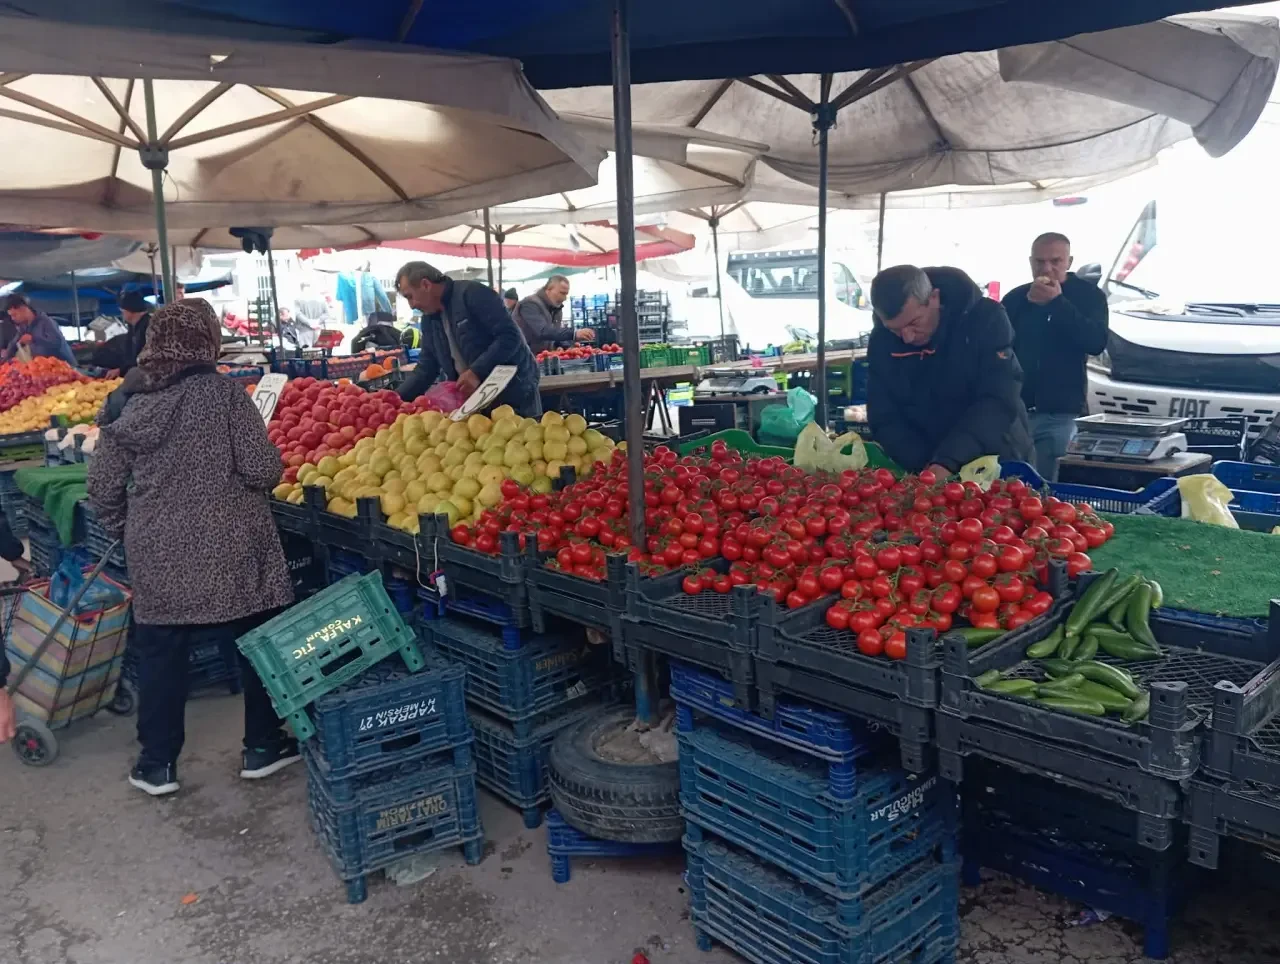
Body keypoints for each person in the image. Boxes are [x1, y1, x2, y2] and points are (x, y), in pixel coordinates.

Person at [87, 299, 297, 797]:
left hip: (157, 552)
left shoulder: (125, 403)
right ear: (207, 341)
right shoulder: (224, 396)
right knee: (256, 637)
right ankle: (262, 746)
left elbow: (102, 488)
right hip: (233, 547)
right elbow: (263, 471)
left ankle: (157, 764)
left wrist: (131, 527)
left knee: (161, 653)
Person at [867, 264, 1034, 475]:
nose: (907, 337)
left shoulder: (985, 319)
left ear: (934, 298)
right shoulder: (882, 341)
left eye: (914, 323)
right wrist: (924, 466)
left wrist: (948, 460)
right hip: (924, 468)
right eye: (895, 330)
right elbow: (884, 416)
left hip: (996, 458)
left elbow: (997, 400)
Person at [1003, 232, 1110, 481]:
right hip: (1017, 409)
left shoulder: (1089, 296)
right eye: (1039, 262)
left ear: (1069, 262)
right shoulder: (1016, 298)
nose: (1046, 268)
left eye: (1055, 261)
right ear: (1031, 262)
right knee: (1011, 483)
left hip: (1061, 411)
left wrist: (1057, 303)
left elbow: (1095, 342)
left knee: (1052, 486)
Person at [393, 261, 541, 417]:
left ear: (426, 284)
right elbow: (426, 368)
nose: (411, 306)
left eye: (410, 296)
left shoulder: (472, 294)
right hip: (476, 399)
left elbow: (510, 336)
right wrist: (393, 399)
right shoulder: (430, 320)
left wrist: (477, 371)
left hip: (515, 389)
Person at [512, 276, 595, 354]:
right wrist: (574, 334)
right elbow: (543, 331)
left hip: (543, 358)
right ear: (548, 290)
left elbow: (554, 333)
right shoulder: (530, 304)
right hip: (522, 357)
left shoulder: (557, 309)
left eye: (566, 294)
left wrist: (564, 346)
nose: (564, 298)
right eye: (562, 293)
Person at [4, 293, 77, 366]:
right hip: (44, 369)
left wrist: (34, 338)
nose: (13, 318)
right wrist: (4, 361)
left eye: (14, 315)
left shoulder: (47, 322)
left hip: (65, 368)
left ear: (23, 308)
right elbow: (13, 344)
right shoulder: (24, 327)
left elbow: (57, 343)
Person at [92, 290, 152, 374]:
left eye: (122, 311)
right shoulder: (133, 327)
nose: (122, 314)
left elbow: (145, 357)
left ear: (129, 311)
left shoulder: (148, 327)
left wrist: (121, 370)